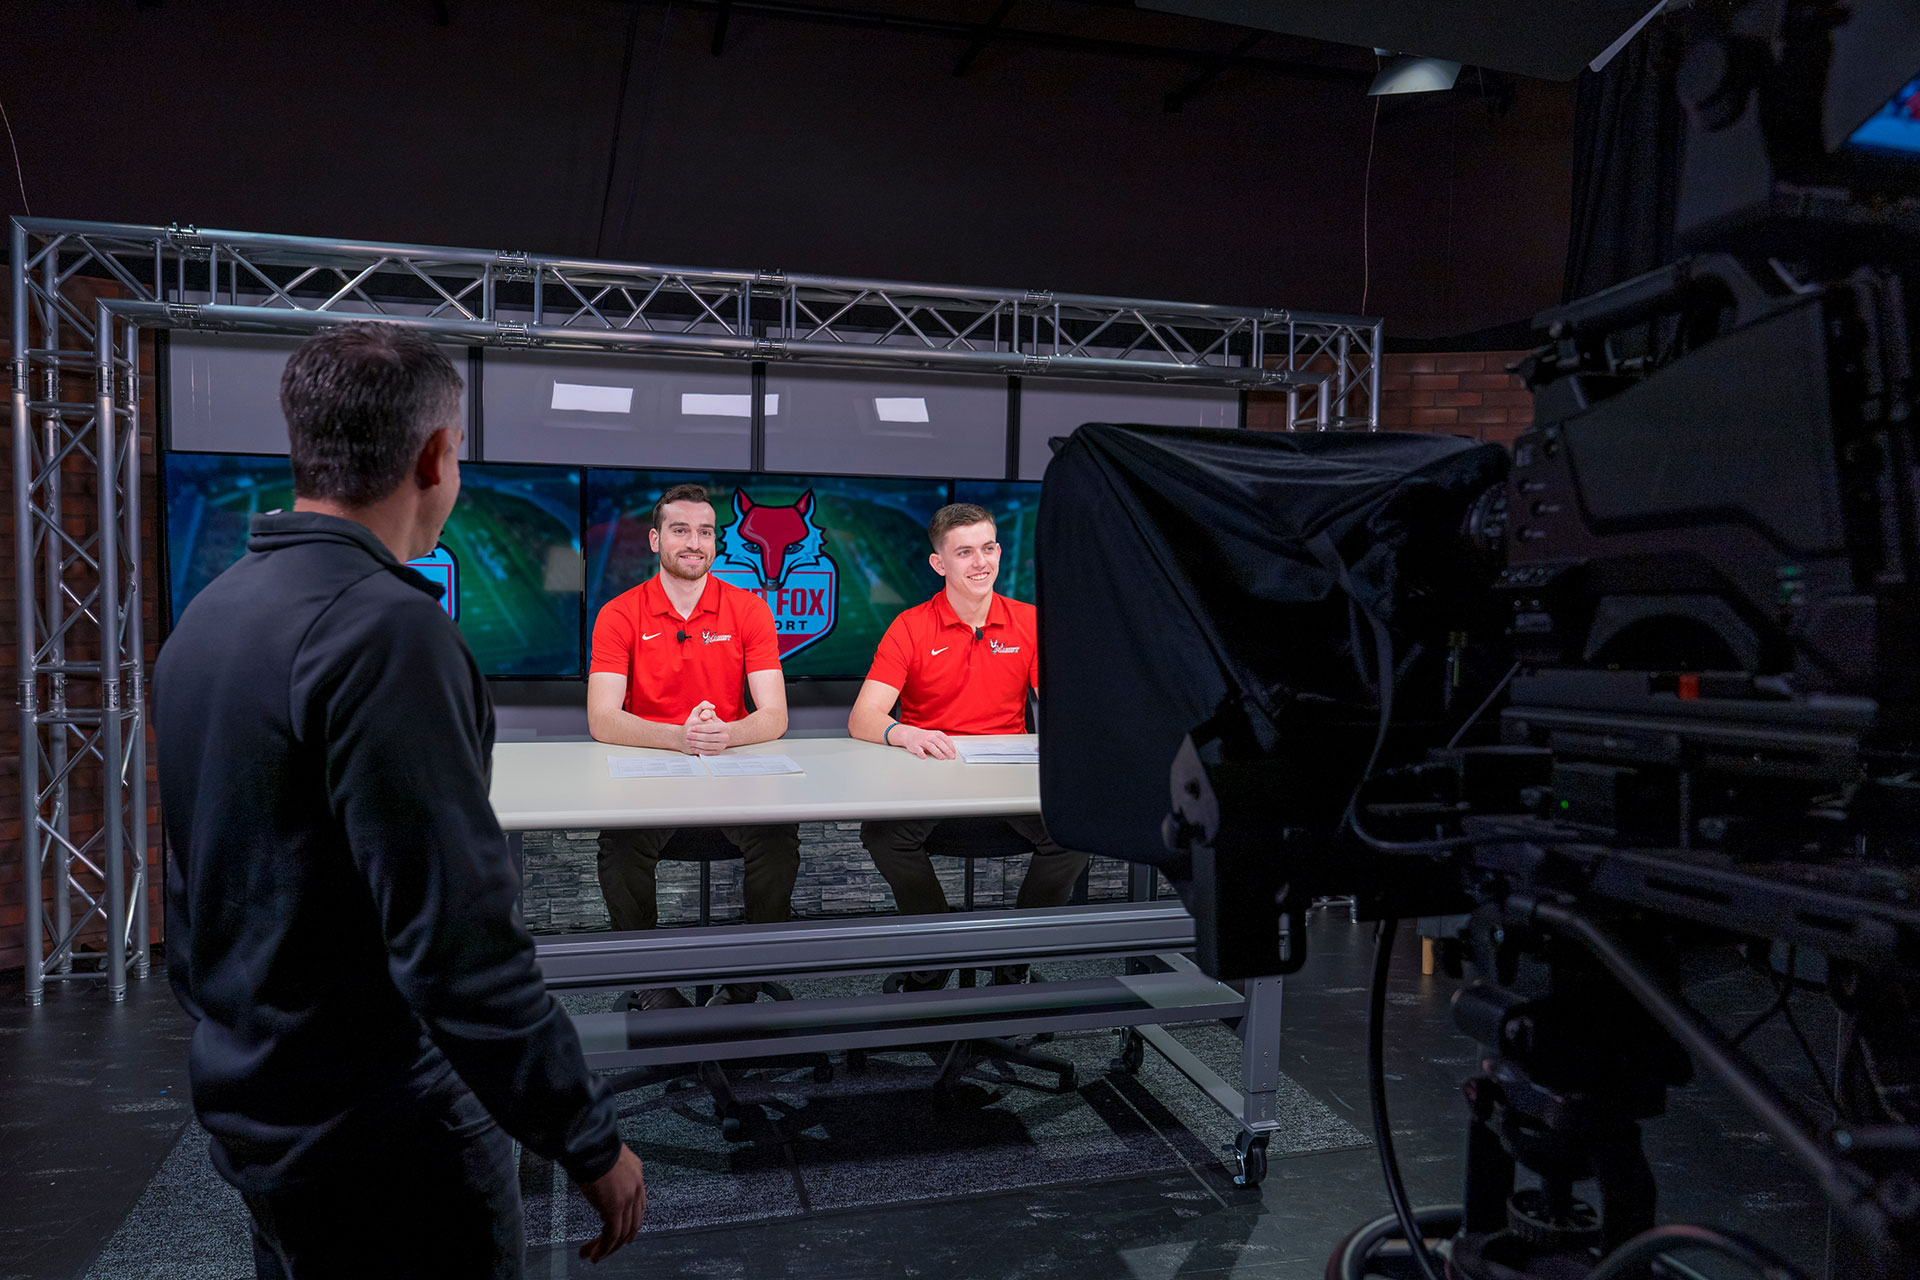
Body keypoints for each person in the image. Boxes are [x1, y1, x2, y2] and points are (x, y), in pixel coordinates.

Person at [154, 323, 646, 1279]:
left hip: (265, 1114)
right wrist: (585, 1135)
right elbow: (458, 943)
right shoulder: (389, 632)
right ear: (435, 455)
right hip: (389, 1141)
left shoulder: (207, 619)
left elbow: (198, 896)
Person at [847, 502, 1090, 988]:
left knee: (1077, 832)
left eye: (988, 548)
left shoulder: (1029, 622)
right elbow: (863, 718)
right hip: (932, 779)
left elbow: (1066, 709)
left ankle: (1014, 959)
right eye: (964, 552)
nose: (981, 562)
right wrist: (905, 732)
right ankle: (937, 950)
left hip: (1007, 781)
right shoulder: (910, 626)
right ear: (939, 563)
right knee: (882, 835)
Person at [586, 482, 800, 1009]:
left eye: (705, 531)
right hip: (651, 776)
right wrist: (677, 738)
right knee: (619, 850)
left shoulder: (749, 609)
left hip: (729, 775)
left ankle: (744, 986)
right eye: (680, 530)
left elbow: (775, 715)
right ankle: (653, 987)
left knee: (779, 842)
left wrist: (727, 733)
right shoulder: (619, 613)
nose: (694, 542)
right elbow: (602, 719)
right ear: (656, 539)